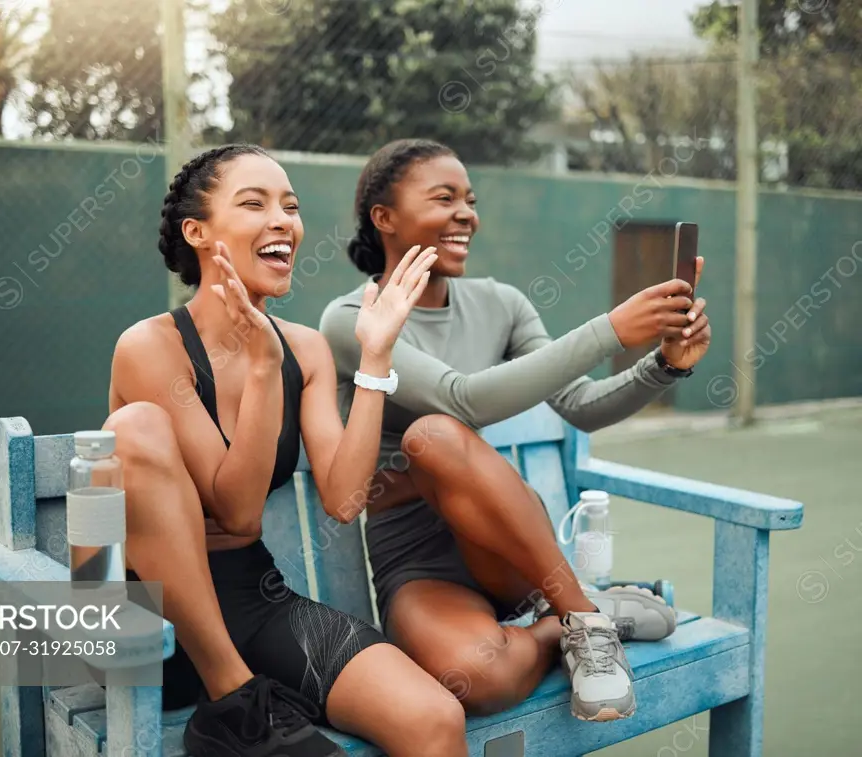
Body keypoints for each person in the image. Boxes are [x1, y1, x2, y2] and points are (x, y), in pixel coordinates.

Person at [318, 138, 713, 723]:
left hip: (510, 550)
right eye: (444, 198)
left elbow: (581, 406)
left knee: (431, 435)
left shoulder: (501, 303)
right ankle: (573, 621)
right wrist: (610, 329)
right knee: (478, 681)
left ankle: (582, 619)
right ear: (385, 218)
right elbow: (464, 399)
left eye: (470, 201)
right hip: (419, 560)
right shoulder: (352, 319)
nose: (466, 215)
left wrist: (665, 364)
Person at [104, 143, 469, 757]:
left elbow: (346, 498)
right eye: (255, 204)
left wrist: (376, 359)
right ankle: (236, 700)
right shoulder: (151, 348)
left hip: (251, 597)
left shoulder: (304, 349)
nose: (283, 221)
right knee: (135, 425)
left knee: (434, 719)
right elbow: (237, 509)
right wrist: (262, 373)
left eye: (291, 207)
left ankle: (242, 701)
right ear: (197, 232)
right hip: (147, 623)